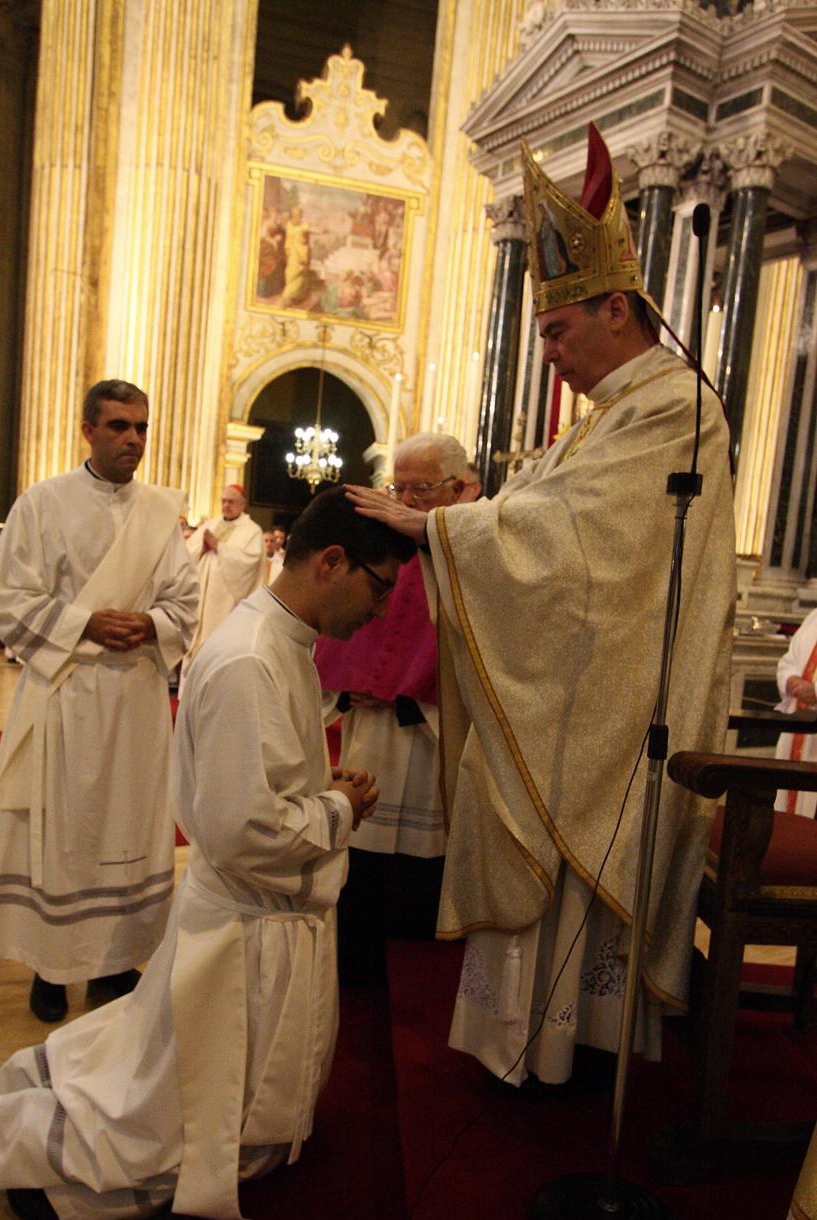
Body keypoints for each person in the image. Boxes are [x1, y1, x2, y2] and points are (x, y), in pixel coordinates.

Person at [346, 123, 737, 1088]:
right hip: (577, 689)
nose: (550, 356)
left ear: (616, 307)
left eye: (558, 332)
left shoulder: (673, 411)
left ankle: (573, 1049)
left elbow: (580, 539)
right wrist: (452, 530)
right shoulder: (615, 417)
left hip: (617, 705)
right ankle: (534, 1040)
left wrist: (434, 528)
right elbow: (536, 516)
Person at [0, 487, 416, 1220]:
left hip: (250, 926)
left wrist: (321, 785)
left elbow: (259, 786)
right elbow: (244, 832)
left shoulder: (279, 643)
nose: (381, 610)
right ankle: (60, 1166)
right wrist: (340, 808)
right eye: (379, 588)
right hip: (244, 932)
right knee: (178, 1121)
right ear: (333, 562)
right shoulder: (250, 659)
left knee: (192, 1096)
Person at [0, 379, 199, 1023]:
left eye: (141, 428)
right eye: (119, 426)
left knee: (128, 824)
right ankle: (51, 966)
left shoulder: (160, 511)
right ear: (88, 430)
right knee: (63, 828)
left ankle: (114, 962)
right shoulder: (43, 503)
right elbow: (2, 593)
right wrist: (83, 625)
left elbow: (185, 598)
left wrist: (153, 624)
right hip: (66, 693)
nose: (133, 439)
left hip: (134, 699)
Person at [315, 434, 471, 982]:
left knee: (422, 866)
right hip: (371, 733)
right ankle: (358, 961)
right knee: (364, 849)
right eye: (397, 487)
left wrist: (420, 690)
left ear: (457, 490)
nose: (404, 501)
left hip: (432, 741)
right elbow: (339, 633)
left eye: (421, 489)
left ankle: (416, 965)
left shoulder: (473, 556)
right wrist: (343, 690)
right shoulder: (376, 546)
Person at [183, 484, 264, 670]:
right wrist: (202, 549)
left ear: (242, 504)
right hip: (201, 599)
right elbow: (187, 553)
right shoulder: (210, 525)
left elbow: (249, 562)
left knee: (218, 652)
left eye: (231, 502)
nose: (226, 505)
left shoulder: (252, 530)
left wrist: (219, 546)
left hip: (227, 603)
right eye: (223, 501)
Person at [774, 606, 817, 816]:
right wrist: (790, 680)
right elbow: (787, 662)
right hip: (796, 727)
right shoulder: (814, 617)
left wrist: (816, 692)